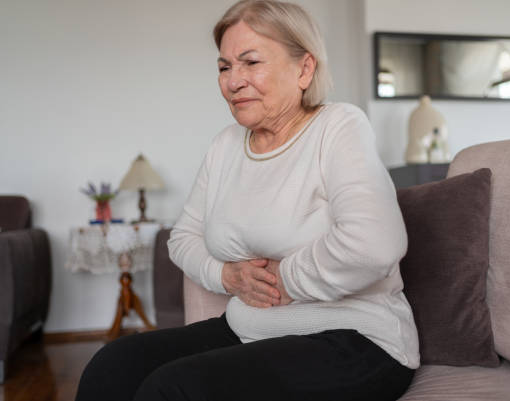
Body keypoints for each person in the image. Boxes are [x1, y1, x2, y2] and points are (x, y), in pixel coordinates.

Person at [75, 1, 419, 400]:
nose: (233, 81)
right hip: (248, 330)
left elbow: (375, 244)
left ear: (304, 69)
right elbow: (183, 238)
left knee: (173, 389)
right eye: (224, 67)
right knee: (112, 365)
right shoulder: (225, 146)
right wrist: (226, 277)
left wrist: (286, 280)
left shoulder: (338, 127)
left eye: (250, 62)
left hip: (356, 338)